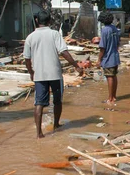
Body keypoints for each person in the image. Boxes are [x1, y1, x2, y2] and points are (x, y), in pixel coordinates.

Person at [24, 11, 83, 139]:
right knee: (57, 101)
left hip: (39, 75)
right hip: (55, 74)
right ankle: (56, 124)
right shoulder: (54, 34)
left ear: (36, 20)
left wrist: (31, 72)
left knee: (39, 103)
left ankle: (39, 133)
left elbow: (27, 59)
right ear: (50, 21)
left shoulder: (30, 37)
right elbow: (64, 52)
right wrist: (76, 65)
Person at [97, 12, 121, 104]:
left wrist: (99, 60)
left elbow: (102, 47)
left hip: (108, 58)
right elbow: (118, 42)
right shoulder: (114, 28)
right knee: (114, 76)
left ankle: (110, 99)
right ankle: (114, 97)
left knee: (109, 77)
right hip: (115, 56)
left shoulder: (104, 30)